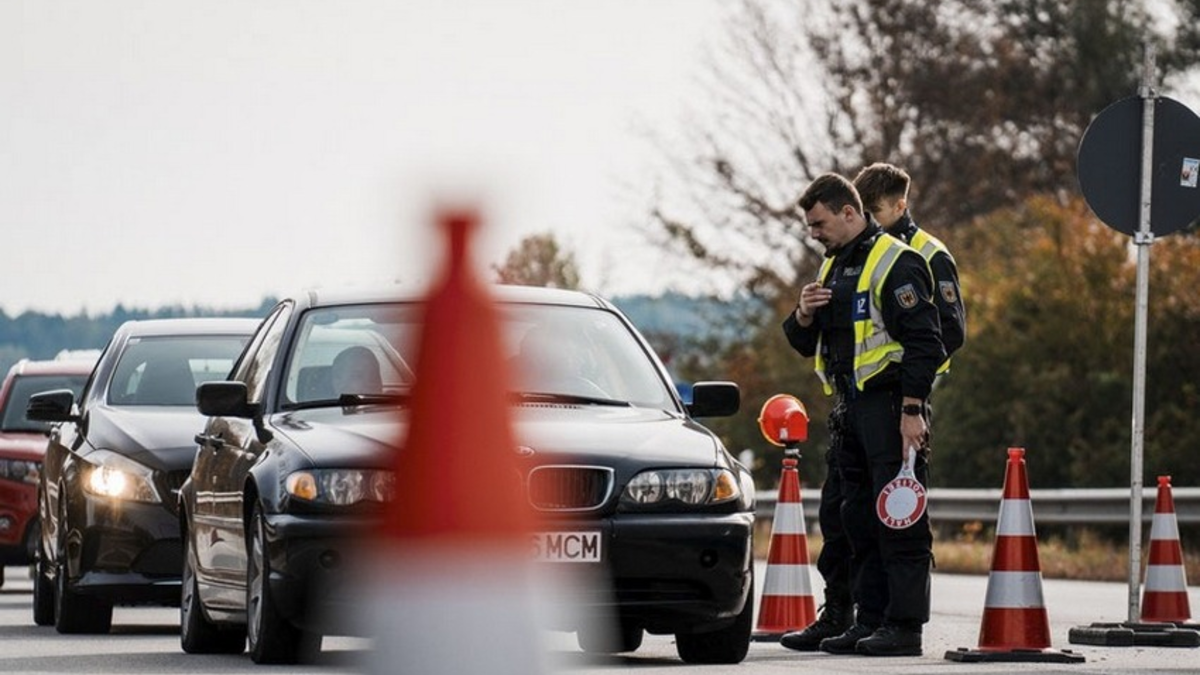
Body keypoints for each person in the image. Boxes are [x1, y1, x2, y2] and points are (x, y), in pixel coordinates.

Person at [780, 164, 966, 652]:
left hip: (889, 408)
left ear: (848, 212)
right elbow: (807, 341)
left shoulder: (897, 261)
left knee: (899, 519)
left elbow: (929, 341)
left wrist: (912, 409)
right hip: (850, 409)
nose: (814, 235)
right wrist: (802, 313)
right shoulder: (835, 264)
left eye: (818, 224)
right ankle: (863, 619)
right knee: (852, 518)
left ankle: (903, 627)